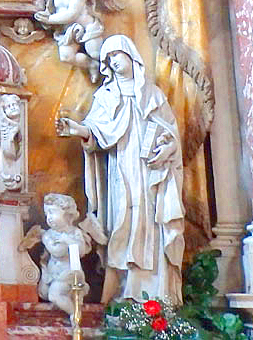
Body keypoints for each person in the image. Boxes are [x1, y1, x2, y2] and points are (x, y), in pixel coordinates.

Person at [55, 35, 184, 303]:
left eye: (117, 55)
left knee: (150, 222)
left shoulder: (153, 95)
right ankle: (123, 290)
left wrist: (167, 149)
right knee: (123, 223)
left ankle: (154, 292)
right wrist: (76, 129)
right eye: (109, 58)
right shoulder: (106, 96)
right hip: (121, 168)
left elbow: (170, 132)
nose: (114, 61)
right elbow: (96, 132)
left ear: (131, 55)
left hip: (151, 172)